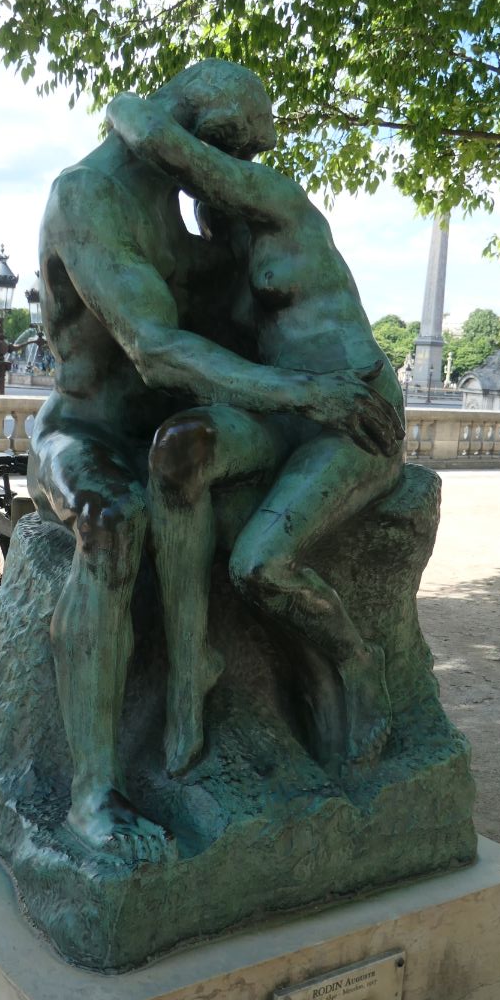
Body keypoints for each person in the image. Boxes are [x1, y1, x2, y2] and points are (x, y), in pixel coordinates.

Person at [31, 60, 401, 861]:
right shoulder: (88, 196)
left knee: (189, 467)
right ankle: (92, 798)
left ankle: (213, 673)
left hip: (189, 432)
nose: (235, 176)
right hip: (87, 436)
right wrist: (305, 392)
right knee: (111, 522)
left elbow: (247, 324)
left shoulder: (190, 216)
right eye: (239, 152)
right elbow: (155, 348)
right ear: (207, 137)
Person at [106, 88, 407, 776]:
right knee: (178, 451)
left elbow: (155, 137)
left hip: (355, 414)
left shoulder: (278, 202)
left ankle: (357, 660)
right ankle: (190, 671)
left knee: (259, 565)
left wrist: (127, 104)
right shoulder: (218, 257)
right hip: (285, 413)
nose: (202, 205)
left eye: (212, 177)